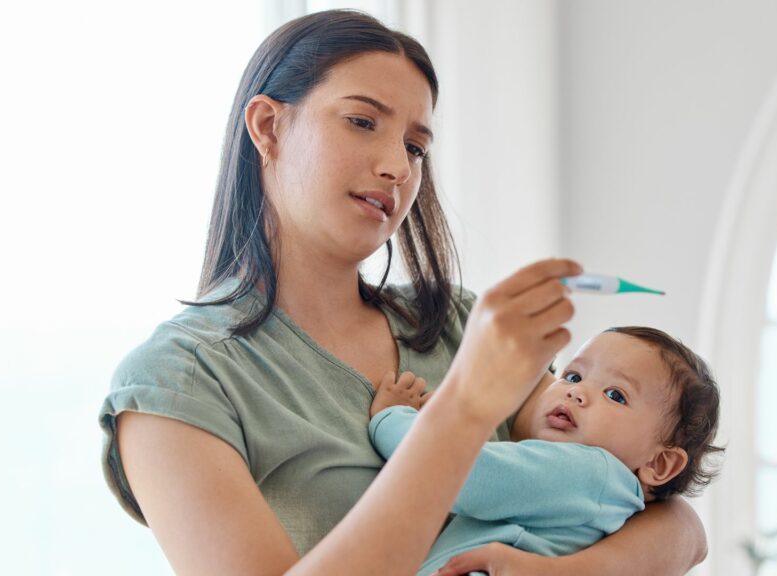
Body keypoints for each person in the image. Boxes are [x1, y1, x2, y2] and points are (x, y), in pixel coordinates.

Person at [98, 9, 707, 575]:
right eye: (362, 122)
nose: (398, 167)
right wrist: (460, 411)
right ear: (267, 125)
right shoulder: (178, 383)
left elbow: (671, 521)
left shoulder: (458, 325)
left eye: (416, 146)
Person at [369, 326, 723, 575]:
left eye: (616, 395)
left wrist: (392, 418)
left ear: (660, 463)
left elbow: (459, 474)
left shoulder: (588, 471)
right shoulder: (608, 501)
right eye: (573, 376)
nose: (576, 392)